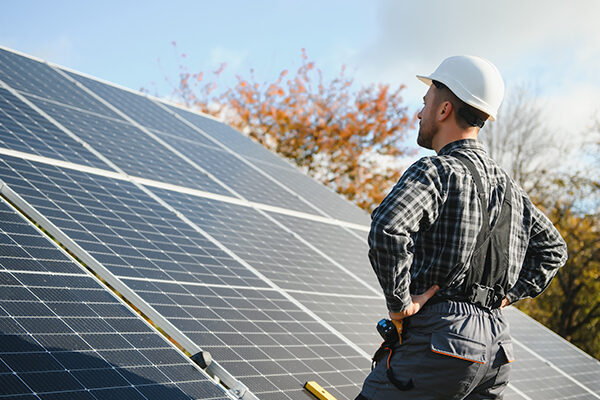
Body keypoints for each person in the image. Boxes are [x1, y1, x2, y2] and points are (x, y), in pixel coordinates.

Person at [355, 55, 568, 400]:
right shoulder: (512, 191)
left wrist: (399, 304)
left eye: (425, 104)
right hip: (497, 350)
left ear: (444, 110)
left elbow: (388, 228)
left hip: (442, 339)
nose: (419, 114)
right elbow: (554, 250)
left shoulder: (438, 171)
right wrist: (508, 296)